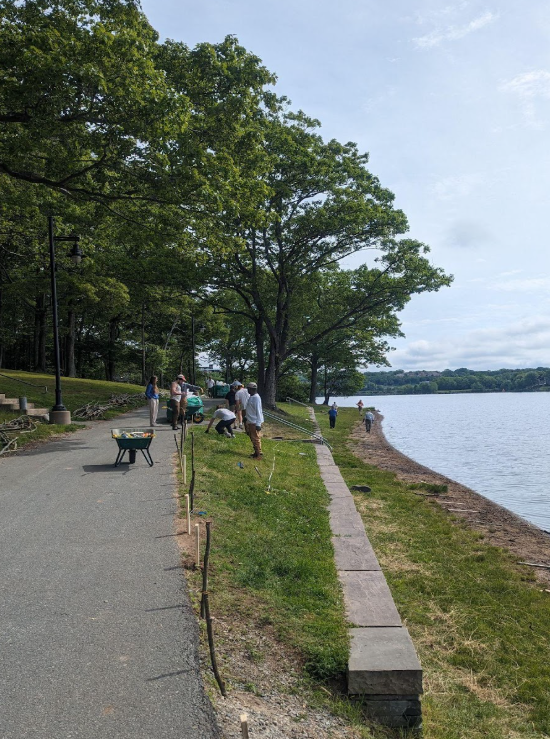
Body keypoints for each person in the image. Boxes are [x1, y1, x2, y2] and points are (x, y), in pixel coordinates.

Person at [244, 382, 264, 458]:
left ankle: (259, 455)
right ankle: (256, 452)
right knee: (252, 437)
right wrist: (246, 416)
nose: (247, 390)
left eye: (248, 389)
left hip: (254, 421)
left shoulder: (256, 398)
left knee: (255, 438)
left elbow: (258, 411)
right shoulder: (251, 397)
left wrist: (258, 424)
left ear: (251, 389)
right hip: (250, 420)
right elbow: (250, 409)